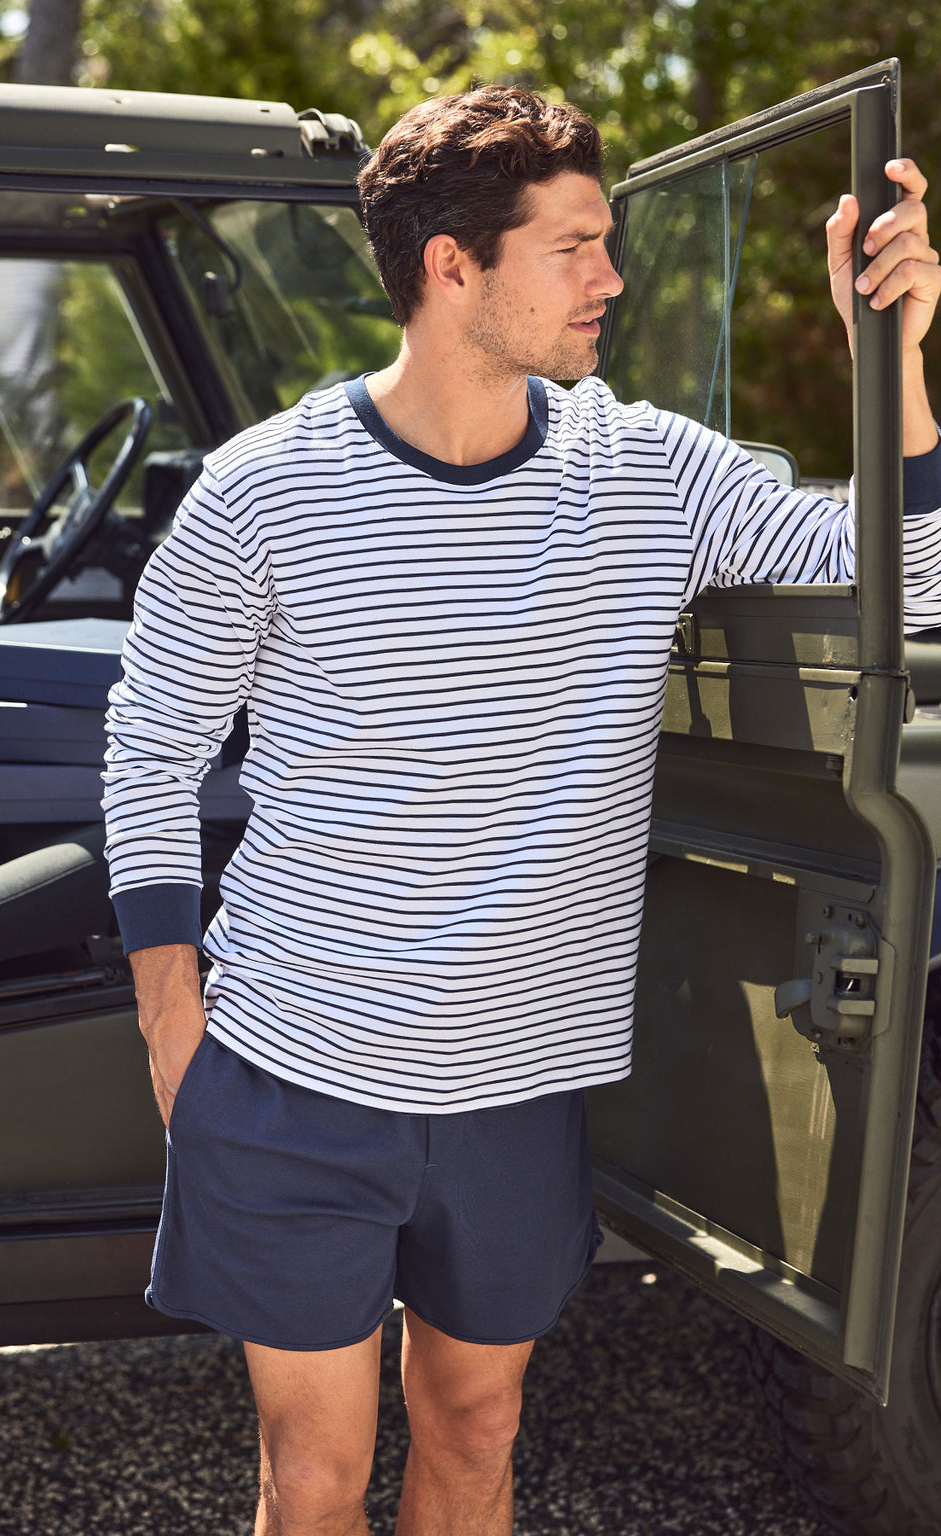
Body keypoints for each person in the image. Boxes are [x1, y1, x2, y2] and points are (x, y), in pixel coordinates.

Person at [103, 85, 941, 1536]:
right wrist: (172, 1019)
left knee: (478, 1436)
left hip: (520, 1089)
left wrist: (899, 363)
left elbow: (909, 590)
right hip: (301, 1070)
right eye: (575, 247)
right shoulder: (260, 494)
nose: (610, 278)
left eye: (609, 242)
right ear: (452, 267)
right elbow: (150, 751)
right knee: (310, 1479)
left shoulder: (652, 470)